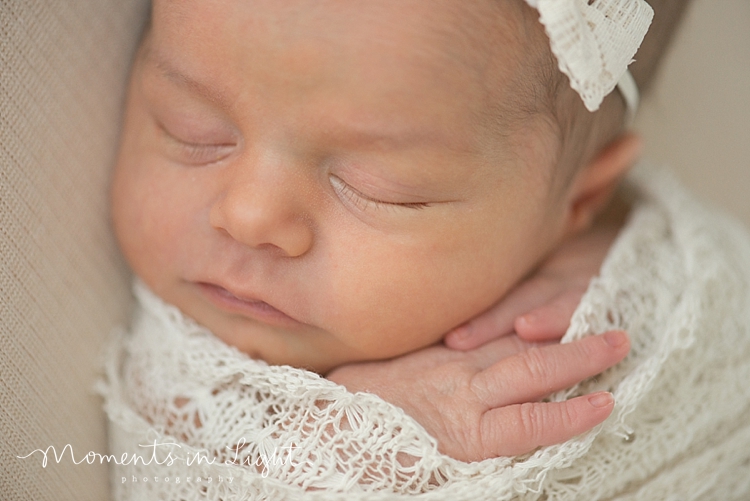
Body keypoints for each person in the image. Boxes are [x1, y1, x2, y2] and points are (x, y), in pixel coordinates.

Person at [101, 0, 750, 499]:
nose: (248, 215)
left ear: (579, 202)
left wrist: (619, 263)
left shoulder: (637, 286)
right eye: (191, 129)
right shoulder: (176, 352)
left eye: (378, 189)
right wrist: (356, 442)